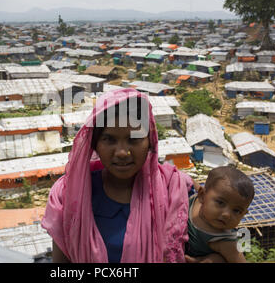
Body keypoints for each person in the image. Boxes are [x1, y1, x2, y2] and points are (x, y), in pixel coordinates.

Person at [42, 88, 202, 263]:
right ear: (94, 144)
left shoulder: (175, 188)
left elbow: (216, 236)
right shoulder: (67, 195)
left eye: (134, 140)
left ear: (151, 142)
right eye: (109, 140)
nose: (122, 152)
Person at [185, 166, 255, 263]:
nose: (227, 215)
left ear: (243, 214)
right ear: (202, 195)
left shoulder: (224, 240)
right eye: (220, 203)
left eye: (237, 211)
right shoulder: (194, 197)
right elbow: (185, 179)